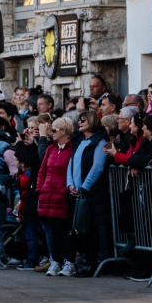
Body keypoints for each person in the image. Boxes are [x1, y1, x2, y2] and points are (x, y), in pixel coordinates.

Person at [66, 110, 109, 276]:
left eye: (83, 119)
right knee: (79, 229)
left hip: (90, 194)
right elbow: (71, 163)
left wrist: (85, 187)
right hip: (76, 193)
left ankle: (91, 263)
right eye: (79, 120)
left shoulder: (99, 141)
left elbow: (97, 167)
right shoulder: (78, 140)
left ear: (91, 121)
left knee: (90, 230)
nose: (80, 122)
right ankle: (84, 261)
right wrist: (70, 185)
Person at [36, 117, 75, 277]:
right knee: (51, 230)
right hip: (47, 194)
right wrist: (40, 189)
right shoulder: (51, 149)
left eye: (54, 130)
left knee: (64, 229)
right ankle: (55, 260)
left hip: (61, 195)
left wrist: (64, 190)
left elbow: (72, 172)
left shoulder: (72, 149)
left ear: (63, 131)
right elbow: (42, 171)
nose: (51, 133)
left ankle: (67, 260)